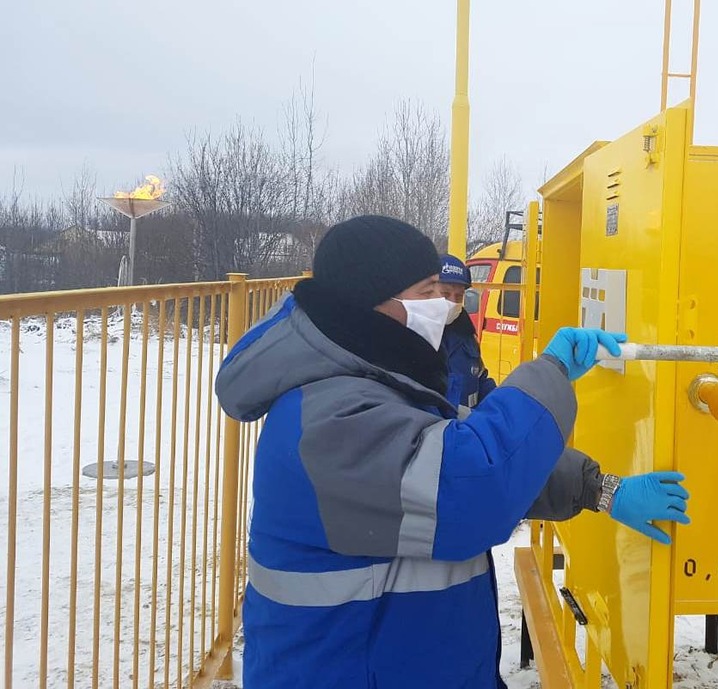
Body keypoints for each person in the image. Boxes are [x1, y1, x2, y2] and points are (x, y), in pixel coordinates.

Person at [215, 215, 692, 689]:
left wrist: (602, 489)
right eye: (426, 293)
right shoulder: (330, 418)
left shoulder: (372, 382)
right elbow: (471, 485)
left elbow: (453, 445)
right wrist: (551, 371)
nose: (442, 309)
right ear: (372, 304)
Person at [437, 253, 496, 408]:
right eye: (445, 294)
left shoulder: (466, 336)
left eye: (459, 296)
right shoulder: (414, 336)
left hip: (468, 426)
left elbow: (480, 377)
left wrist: (499, 403)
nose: (453, 302)